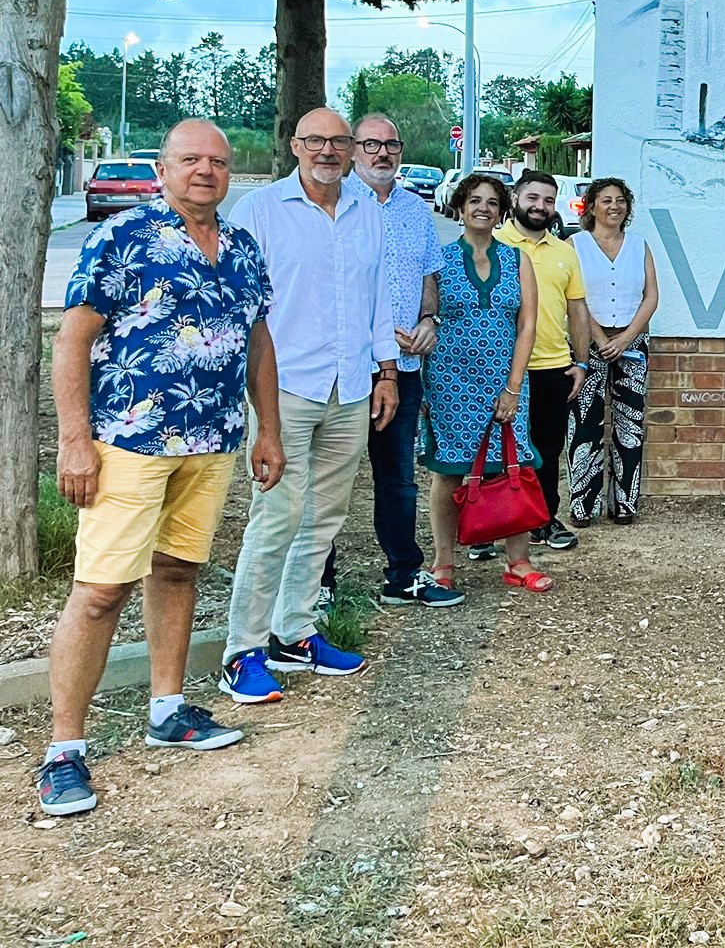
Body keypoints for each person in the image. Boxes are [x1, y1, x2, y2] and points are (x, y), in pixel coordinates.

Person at [38, 122, 284, 817]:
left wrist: (268, 428)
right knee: (100, 592)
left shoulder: (240, 246)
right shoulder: (123, 236)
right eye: (190, 159)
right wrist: (74, 439)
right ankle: (64, 750)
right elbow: (74, 340)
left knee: (178, 570)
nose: (205, 170)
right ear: (163, 167)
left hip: (211, 441)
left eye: (218, 161)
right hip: (130, 441)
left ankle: (168, 708)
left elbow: (257, 341)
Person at [217, 107, 397, 705]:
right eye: (314, 140)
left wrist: (386, 372)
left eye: (337, 141)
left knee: (323, 518)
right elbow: (243, 310)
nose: (327, 150)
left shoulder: (365, 210)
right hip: (284, 390)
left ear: (351, 149)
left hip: (350, 387)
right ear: (294, 145)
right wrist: (258, 407)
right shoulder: (260, 211)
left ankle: (293, 633)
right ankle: (242, 650)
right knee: (275, 518)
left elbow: (377, 301)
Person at [320, 115, 461, 608]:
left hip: (404, 368)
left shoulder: (415, 210)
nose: (383, 154)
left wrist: (428, 320)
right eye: (372, 145)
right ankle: (319, 586)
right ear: (354, 150)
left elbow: (429, 273)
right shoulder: (339, 204)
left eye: (392, 145)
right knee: (329, 479)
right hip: (348, 369)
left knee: (398, 477)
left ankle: (403, 574)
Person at [421, 173, 552, 591]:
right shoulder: (438, 260)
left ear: (501, 212)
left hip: (504, 379)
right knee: (448, 472)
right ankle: (443, 564)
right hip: (449, 381)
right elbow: (425, 319)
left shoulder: (517, 260)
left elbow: (527, 324)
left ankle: (518, 561)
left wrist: (514, 387)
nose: (483, 208)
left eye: (492, 203)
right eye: (474, 200)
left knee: (514, 467)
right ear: (459, 207)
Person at [488, 169, 591, 553]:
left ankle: (544, 520)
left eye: (548, 200)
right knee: (497, 450)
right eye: (533, 198)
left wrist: (581, 363)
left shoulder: (566, 251)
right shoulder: (494, 243)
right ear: (515, 198)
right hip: (502, 368)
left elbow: (577, 309)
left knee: (547, 450)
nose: (540, 207)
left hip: (553, 367)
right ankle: (489, 527)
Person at [567, 178, 661, 524]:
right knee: (584, 424)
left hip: (632, 343)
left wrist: (625, 338)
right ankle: (582, 504)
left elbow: (651, 296)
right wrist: (598, 337)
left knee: (629, 425)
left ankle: (624, 502)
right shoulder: (574, 245)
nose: (614, 206)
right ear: (591, 206)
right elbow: (573, 298)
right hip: (586, 343)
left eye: (620, 200)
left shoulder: (639, 246)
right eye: (605, 200)